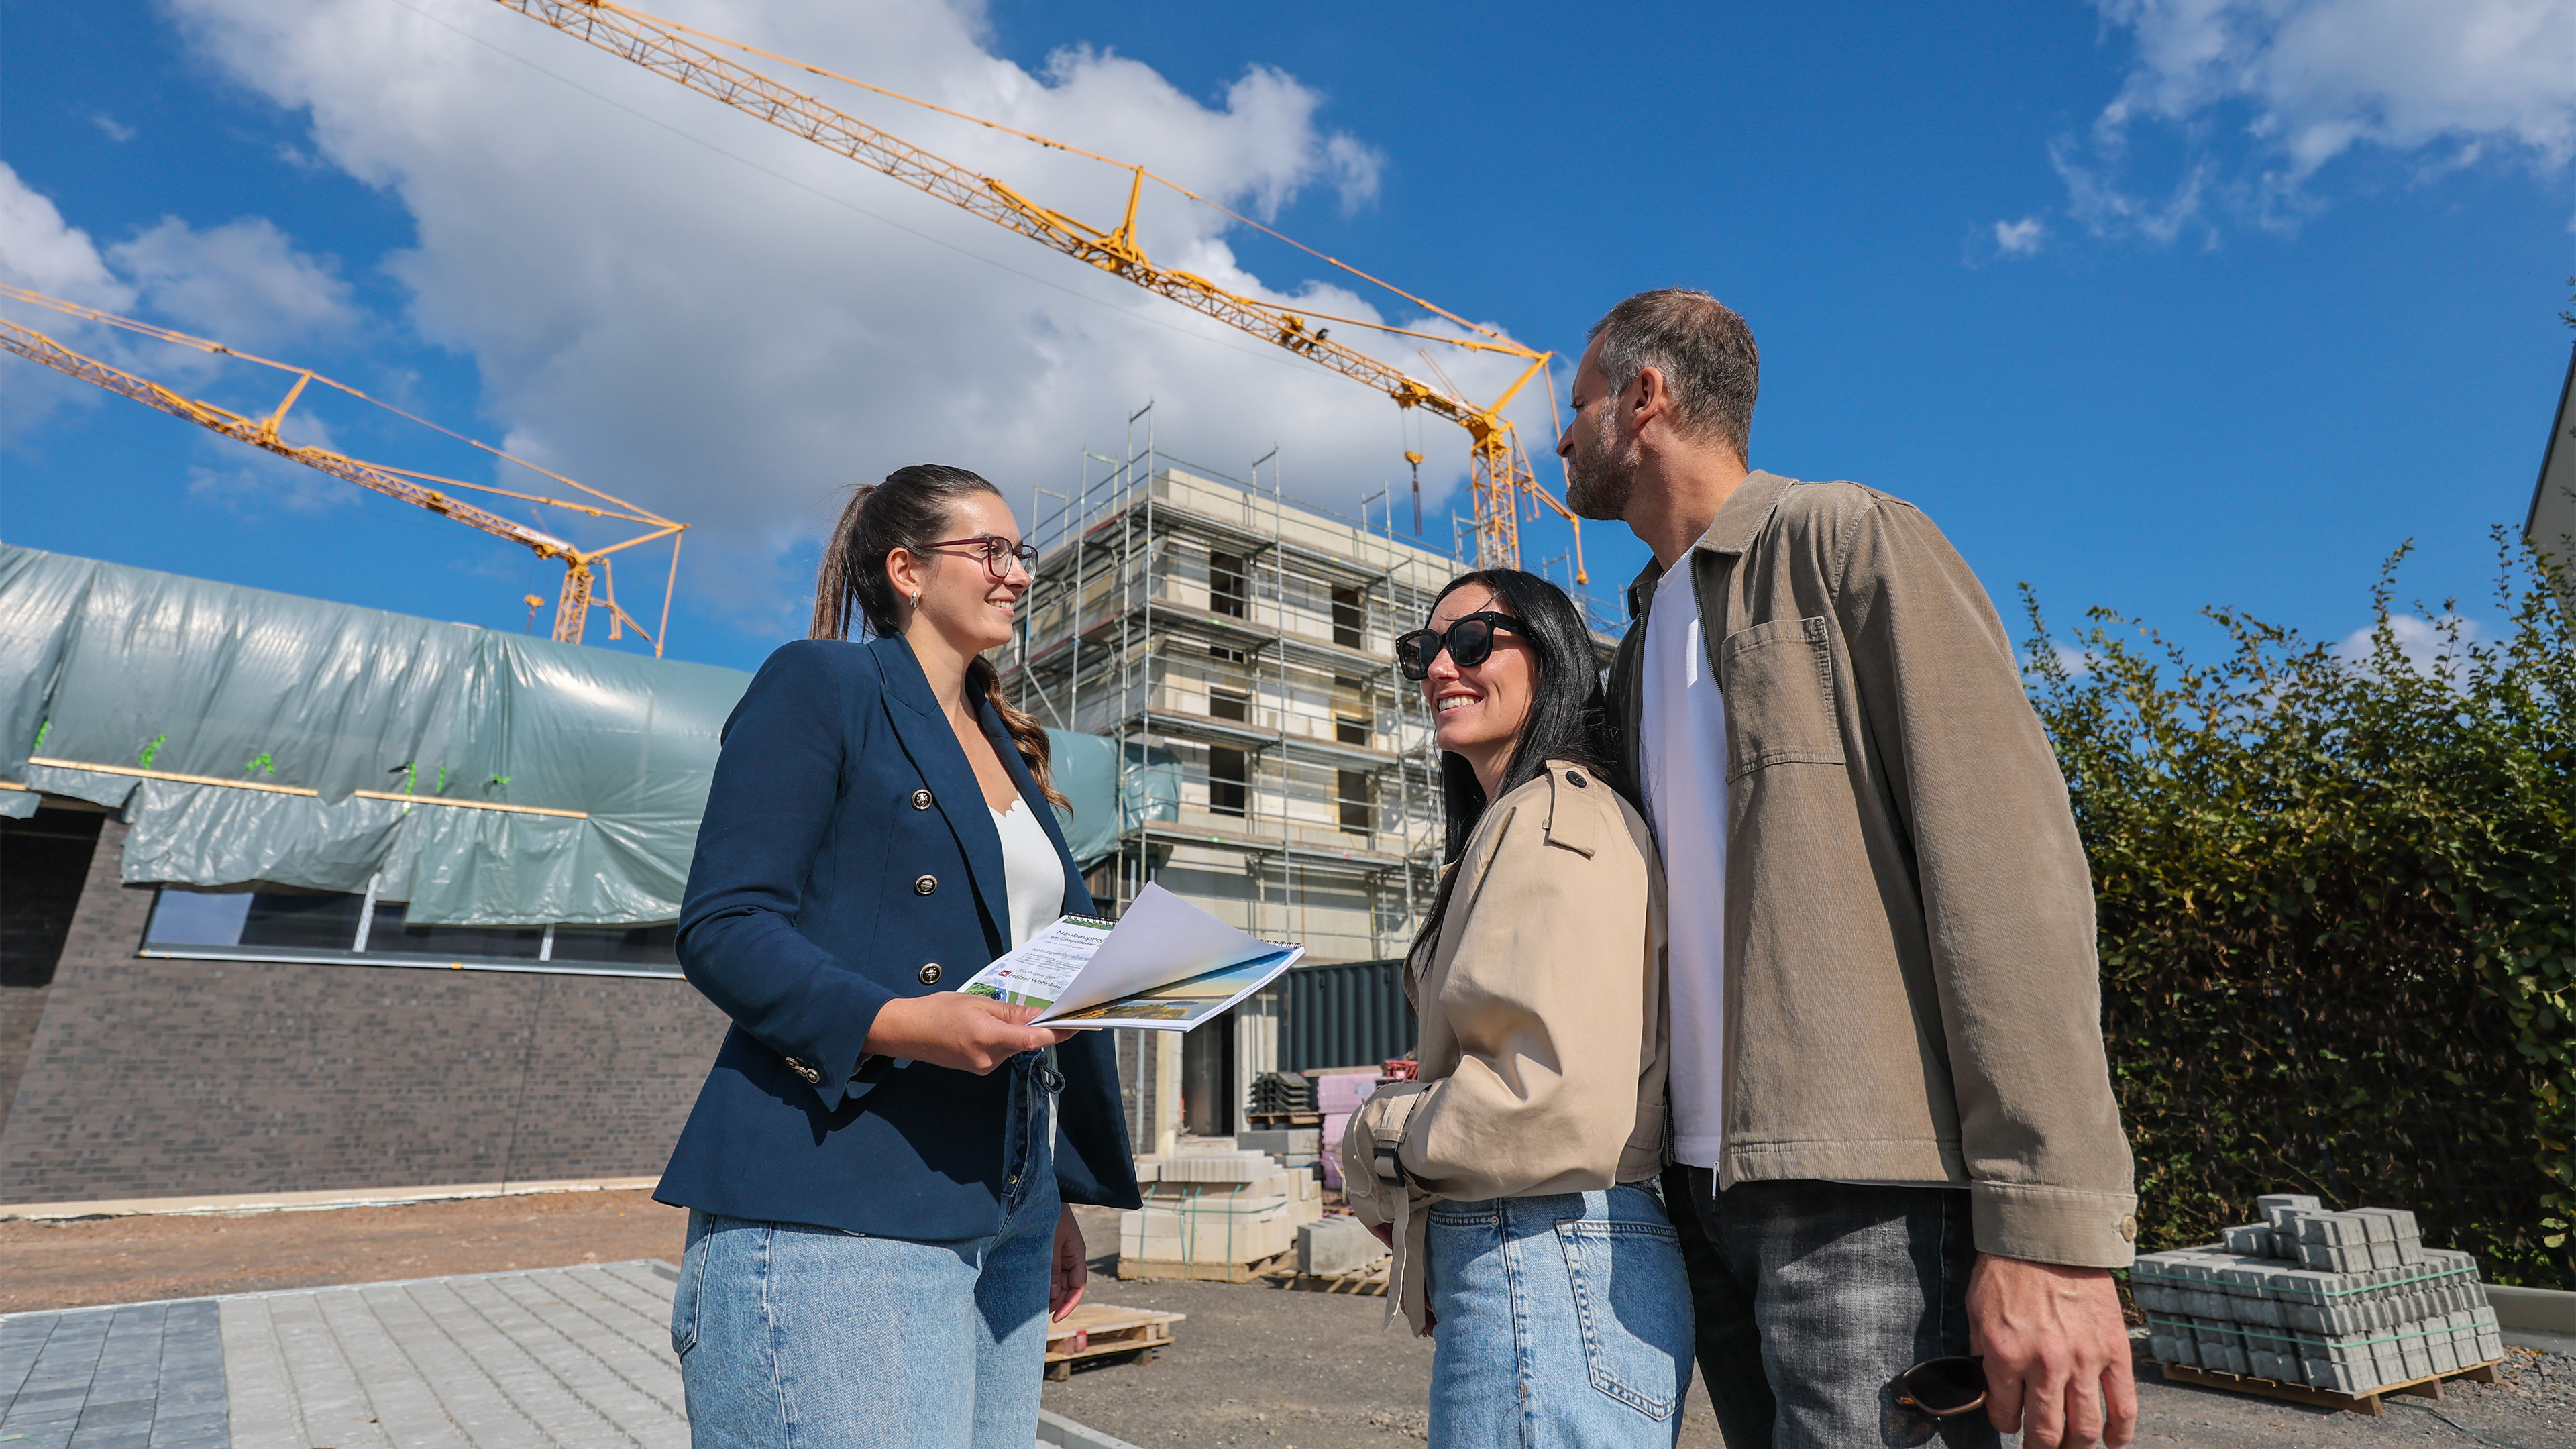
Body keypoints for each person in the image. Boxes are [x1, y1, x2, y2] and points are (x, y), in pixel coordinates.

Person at [1558, 290, 2140, 1449]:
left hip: (1868, 1201)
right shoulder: (1639, 637)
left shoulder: (1842, 540)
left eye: (1576, 408)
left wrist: (2049, 1226)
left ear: (1645, 397)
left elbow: (2008, 872)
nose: (1562, 440)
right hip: (1698, 1193)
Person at [656, 464, 1140, 1449]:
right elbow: (725, 923)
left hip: (1006, 1201)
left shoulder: (1008, 744)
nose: (1018, 573)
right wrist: (899, 1022)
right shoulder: (825, 684)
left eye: (1021, 553)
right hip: (844, 1193)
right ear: (907, 570)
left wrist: (1048, 1194)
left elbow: (1040, 964)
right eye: (990, 551)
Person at [1340, 568, 1688, 1449]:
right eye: (1423, 650)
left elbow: (1545, 1099)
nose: (1439, 669)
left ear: (1553, 655)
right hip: (1545, 1254)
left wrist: (1379, 1138)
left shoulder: (1551, 819)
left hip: (1541, 1247)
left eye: (1470, 641)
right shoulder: (1522, 821)